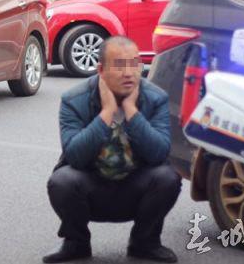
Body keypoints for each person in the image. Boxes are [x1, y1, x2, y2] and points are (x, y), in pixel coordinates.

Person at [43, 36, 181, 263]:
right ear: (101, 70)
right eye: (119, 65)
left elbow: (159, 153)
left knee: (167, 177)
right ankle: (76, 243)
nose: (128, 73)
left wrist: (131, 111)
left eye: (134, 64)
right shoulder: (73, 99)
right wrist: (106, 113)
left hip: (136, 187)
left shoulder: (156, 98)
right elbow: (75, 156)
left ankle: (145, 243)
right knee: (62, 181)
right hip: (92, 186)